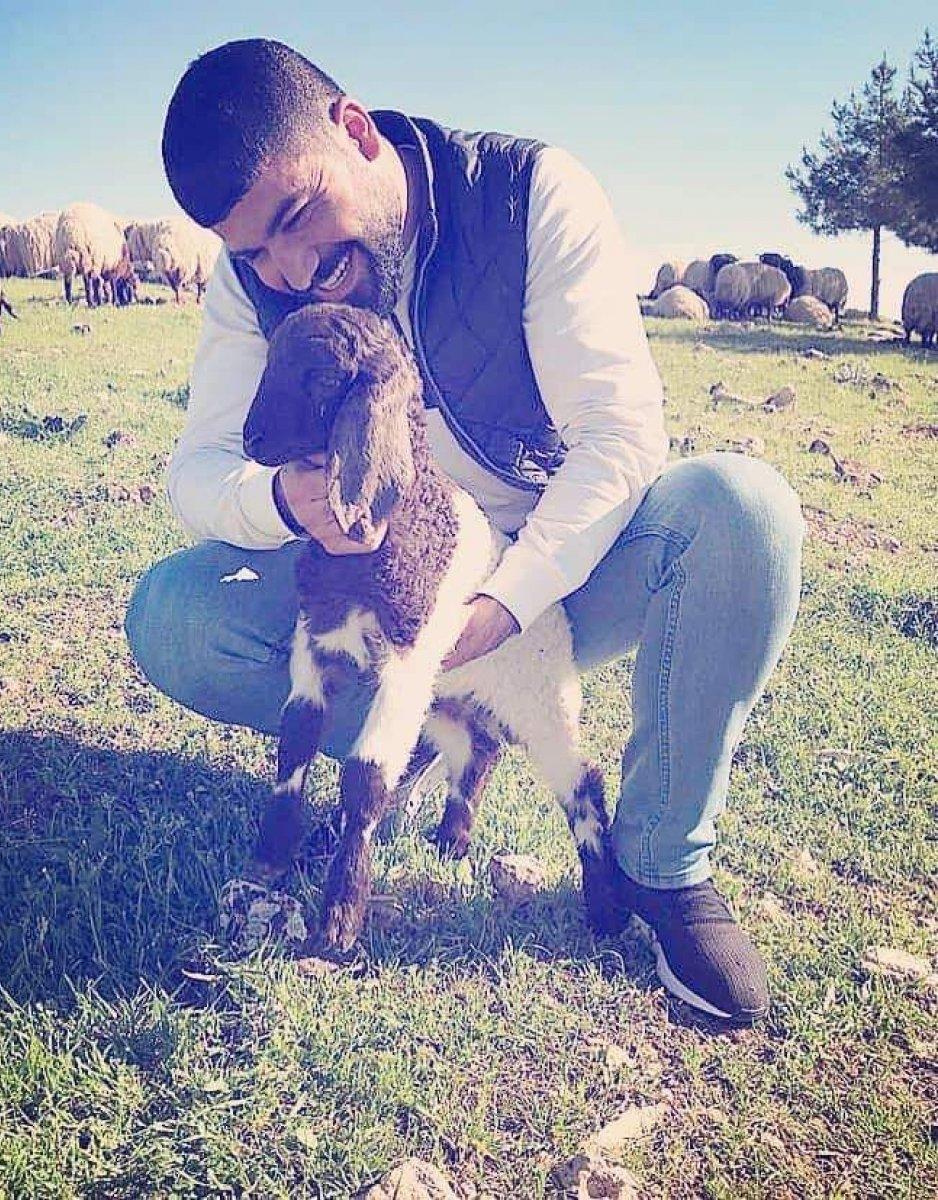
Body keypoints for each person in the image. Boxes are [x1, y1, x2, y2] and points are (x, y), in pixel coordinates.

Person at [125, 39, 804, 1024]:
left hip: (541, 586)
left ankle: (657, 862)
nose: (293, 268)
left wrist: (500, 603)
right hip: (372, 586)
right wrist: (281, 501)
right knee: (175, 617)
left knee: (741, 511)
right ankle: (395, 758)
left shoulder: (531, 195)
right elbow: (200, 467)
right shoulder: (252, 282)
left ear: (354, 130)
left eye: (295, 218)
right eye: (254, 252)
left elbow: (618, 441)